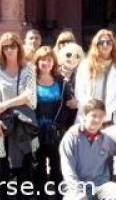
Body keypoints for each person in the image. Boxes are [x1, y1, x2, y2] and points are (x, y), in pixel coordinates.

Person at [0, 32, 37, 199]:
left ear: (19, 47)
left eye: (12, 46)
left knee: (24, 169)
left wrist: (4, 105)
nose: (9, 50)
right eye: (5, 46)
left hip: (22, 126)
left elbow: (30, 98)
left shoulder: (28, 69)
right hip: (0, 125)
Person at [59, 99, 116, 200]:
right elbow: (67, 169)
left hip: (101, 185)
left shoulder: (107, 139)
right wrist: (78, 192)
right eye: (93, 116)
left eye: (101, 116)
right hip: (78, 186)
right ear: (85, 116)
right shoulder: (72, 137)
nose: (97, 120)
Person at [33, 46, 76, 196]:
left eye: (49, 59)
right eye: (43, 59)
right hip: (35, 132)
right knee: (38, 168)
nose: (46, 62)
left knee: (57, 168)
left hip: (56, 131)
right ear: (37, 62)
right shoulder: (30, 80)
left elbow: (69, 104)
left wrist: (72, 104)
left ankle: (58, 196)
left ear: (54, 62)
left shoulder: (61, 82)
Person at [75, 29, 116, 123]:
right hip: (86, 116)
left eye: (108, 42)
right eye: (101, 42)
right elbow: (79, 91)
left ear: (113, 45)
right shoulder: (85, 64)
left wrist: (105, 111)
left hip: (108, 116)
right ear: (96, 45)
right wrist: (91, 109)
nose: (105, 45)